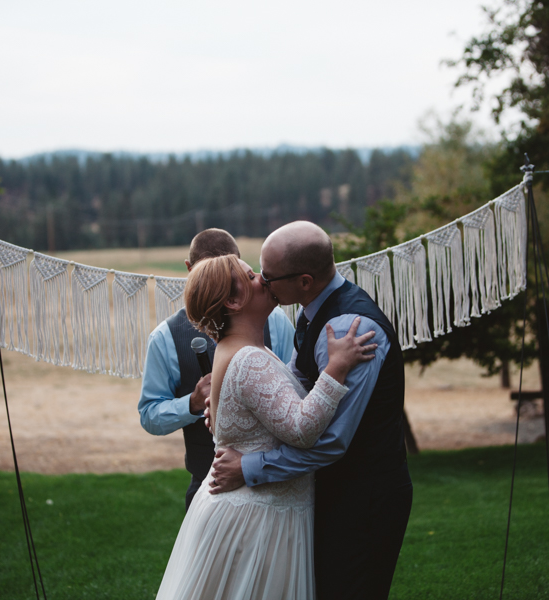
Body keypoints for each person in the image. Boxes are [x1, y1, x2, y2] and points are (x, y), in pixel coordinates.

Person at [209, 221, 413, 600]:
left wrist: (249, 468)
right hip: (330, 494)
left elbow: (332, 441)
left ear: (304, 281)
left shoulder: (350, 331)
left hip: (365, 498)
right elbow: (295, 390)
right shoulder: (310, 314)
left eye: (268, 278)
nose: (263, 284)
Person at [155, 254, 377, 600]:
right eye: (252, 276)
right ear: (233, 300)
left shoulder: (244, 350)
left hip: (259, 510)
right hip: (258, 520)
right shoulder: (249, 358)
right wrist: (336, 369)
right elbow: (302, 429)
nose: (264, 279)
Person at [137, 229, 294, 510]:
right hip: (206, 488)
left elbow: (292, 391)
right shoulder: (164, 337)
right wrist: (193, 403)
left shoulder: (277, 321)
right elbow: (149, 415)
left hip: (277, 481)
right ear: (190, 270)